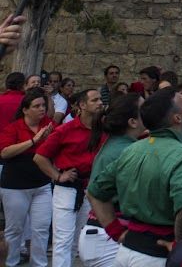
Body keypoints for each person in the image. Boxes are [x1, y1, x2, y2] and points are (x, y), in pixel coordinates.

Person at [88, 88, 182, 266]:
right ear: (177, 118)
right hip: (157, 254)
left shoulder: (132, 149)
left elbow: (94, 192)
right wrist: (180, 246)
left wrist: (116, 232)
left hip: (126, 251)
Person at [34, 86, 105, 267]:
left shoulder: (104, 130)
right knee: (62, 240)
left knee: (78, 241)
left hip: (91, 189)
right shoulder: (65, 130)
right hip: (67, 189)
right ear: (82, 105)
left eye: (100, 99)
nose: (100, 103)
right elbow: (40, 157)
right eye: (95, 100)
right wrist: (58, 176)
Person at [79, 93, 146, 267]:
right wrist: (117, 232)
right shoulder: (126, 150)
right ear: (132, 122)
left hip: (102, 238)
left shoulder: (120, 144)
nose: (149, 112)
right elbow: (93, 193)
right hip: (107, 240)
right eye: (144, 109)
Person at [0, 88, 54, 267]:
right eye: (36, 106)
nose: (42, 109)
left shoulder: (49, 124)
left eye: (43, 105)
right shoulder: (14, 127)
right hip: (15, 186)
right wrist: (33, 141)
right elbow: (5, 152)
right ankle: (11, 262)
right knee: (15, 229)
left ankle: (39, 264)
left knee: (41, 228)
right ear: (25, 109)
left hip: (42, 185)